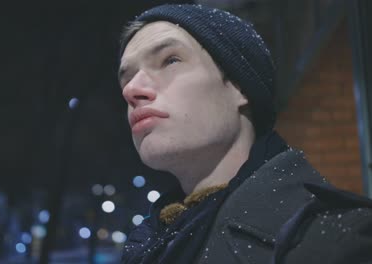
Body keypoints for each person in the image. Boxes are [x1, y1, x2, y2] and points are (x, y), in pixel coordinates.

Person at [117, 4, 372, 264]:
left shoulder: (340, 244)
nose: (131, 89)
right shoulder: (149, 247)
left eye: (170, 60)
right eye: (127, 78)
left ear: (239, 86)